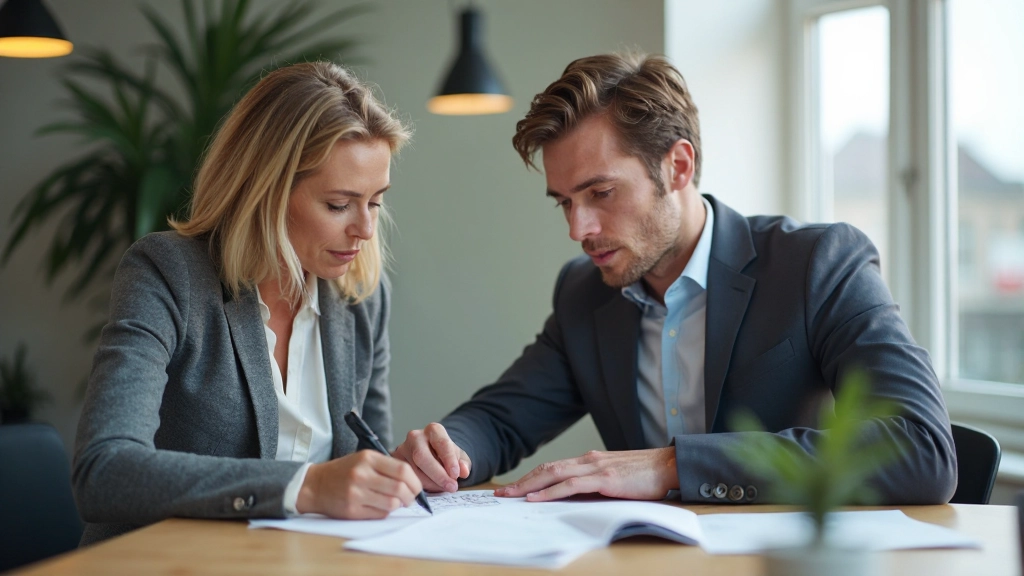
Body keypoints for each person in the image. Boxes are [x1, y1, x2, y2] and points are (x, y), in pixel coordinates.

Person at [393, 53, 957, 504]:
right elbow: (502, 420)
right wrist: (448, 450)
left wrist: (671, 465)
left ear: (678, 166)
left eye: (601, 193)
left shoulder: (817, 263)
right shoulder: (583, 294)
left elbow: (921, 448)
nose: (578, 229)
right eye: (564, 202)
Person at [73, 61, 423, 545]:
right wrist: (307, 486)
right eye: (339, 205)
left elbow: (369, 454)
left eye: (376, 200)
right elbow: (104, 470)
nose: (365, 230)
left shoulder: (361, 296)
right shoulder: (168, 273)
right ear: (266, 193)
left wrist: (398, 472)